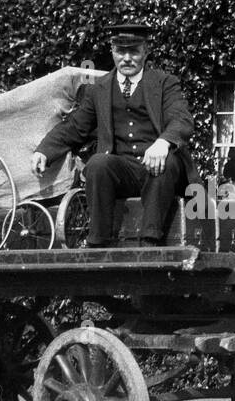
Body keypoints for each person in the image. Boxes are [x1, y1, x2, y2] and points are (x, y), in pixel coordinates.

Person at [32, 23, 198, 247]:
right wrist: (45, 150)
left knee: (166, 161)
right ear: (112, 51)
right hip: (124, 172)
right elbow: (75, 127)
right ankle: (98, 243)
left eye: (134, 51)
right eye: (121, 51)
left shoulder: (164, 83)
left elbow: (182, 119)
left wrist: (163, 142)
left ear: (145, 51)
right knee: (99, 163)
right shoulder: (98, 89)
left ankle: (150, 241)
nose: (127, 58)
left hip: (160, 173)